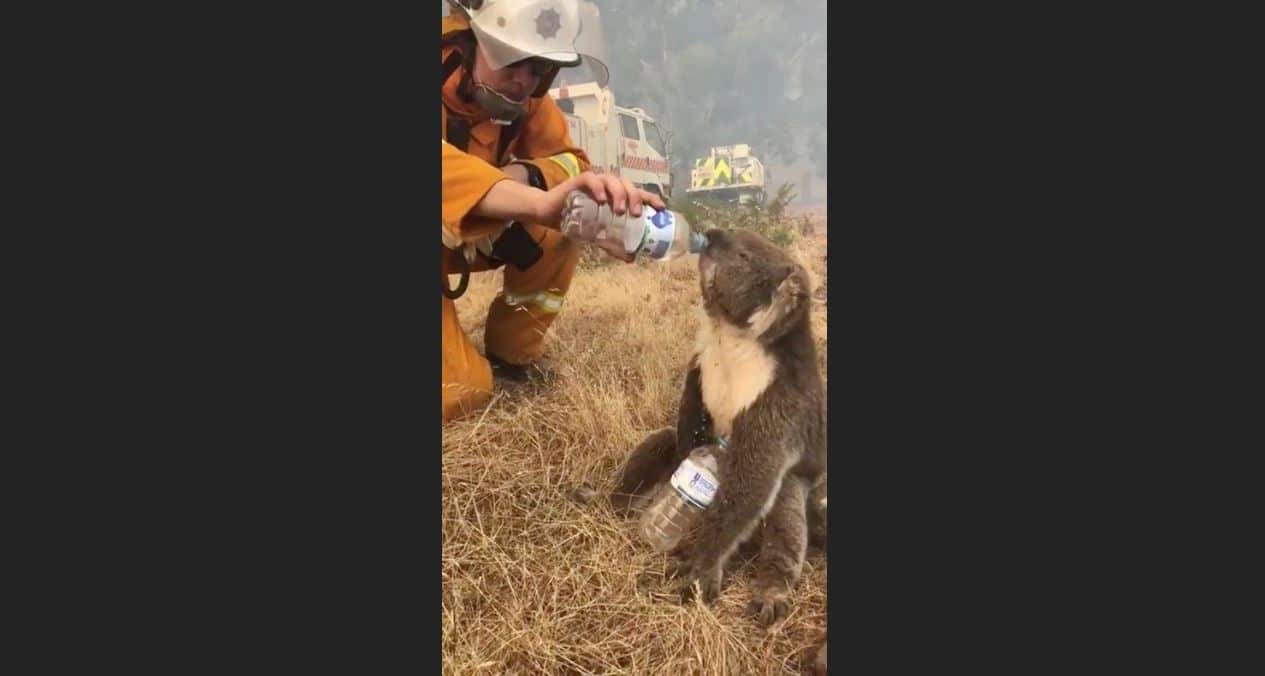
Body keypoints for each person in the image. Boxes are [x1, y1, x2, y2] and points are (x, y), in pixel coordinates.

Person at [441, 0, 665, 423]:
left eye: (542, 67)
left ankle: (512, 360)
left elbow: (569, 162)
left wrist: (533, 181)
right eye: (515, 60)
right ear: (477, 41)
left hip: (457, 235)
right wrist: (539, 203)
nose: (525, 82)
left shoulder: (528, 101)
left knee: (564, 227)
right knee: (460, 395)